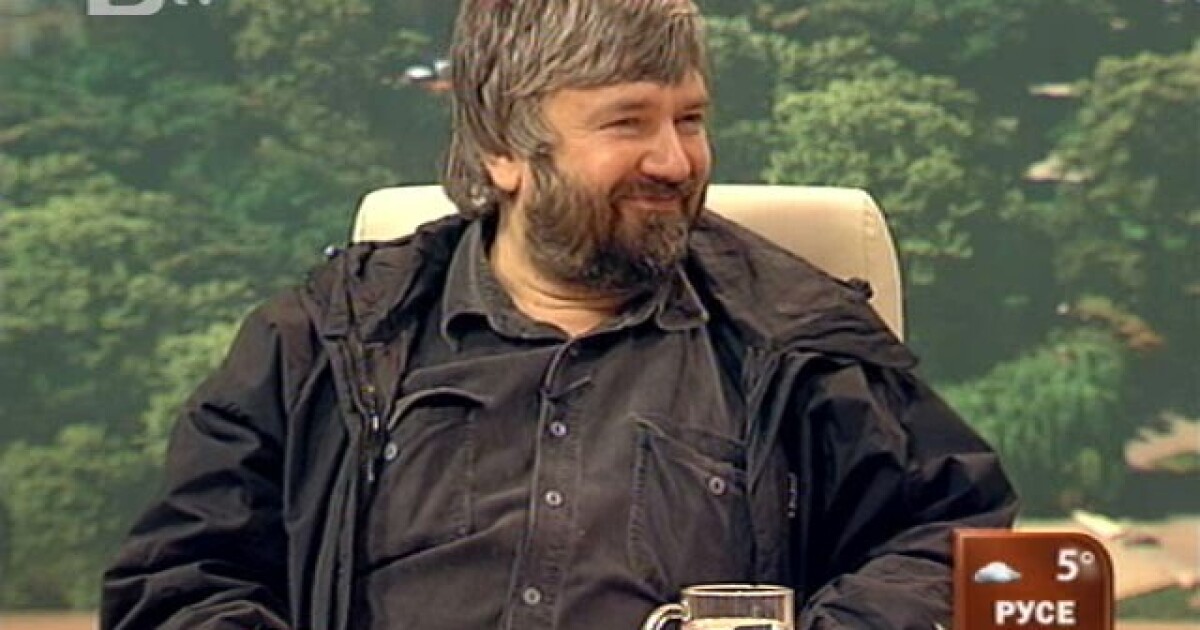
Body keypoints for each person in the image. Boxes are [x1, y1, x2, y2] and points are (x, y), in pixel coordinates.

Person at [101, 1, 1018, 628]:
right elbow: (177, 584)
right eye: (628, 123)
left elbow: (955, 542)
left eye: (690, 119)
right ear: (504, 149)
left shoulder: (796, 339)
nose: (675, 161)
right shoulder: (322, 343)